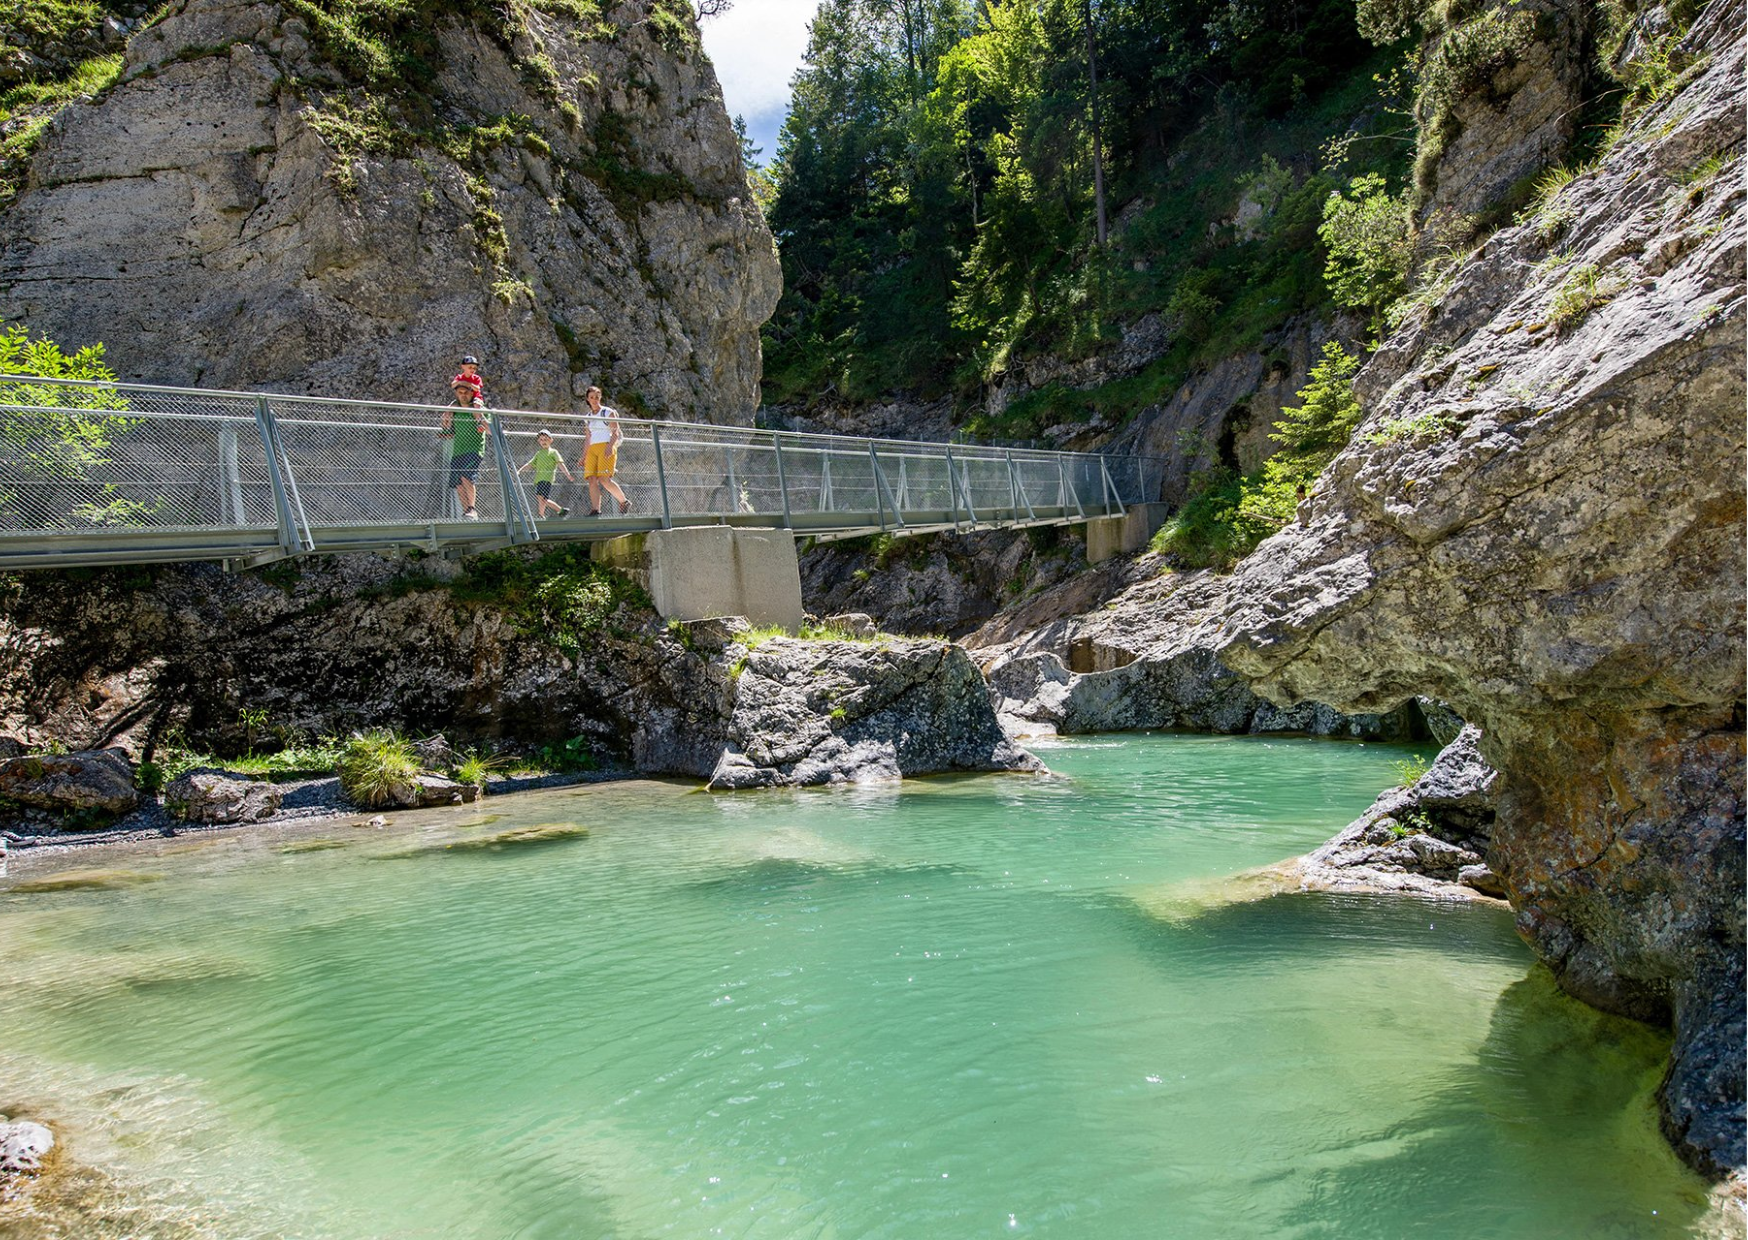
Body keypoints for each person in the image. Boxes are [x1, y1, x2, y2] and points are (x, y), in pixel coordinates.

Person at [577, 385, 632, 516]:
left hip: (605, 446)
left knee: (604, 479)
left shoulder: (608, 412)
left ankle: (623, 501)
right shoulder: (588, 417)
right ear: (587, 399)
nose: (594, 400)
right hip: (592, 449)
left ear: (600, 397)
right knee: (591, 478)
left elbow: (615, 432)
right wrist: (583, 456)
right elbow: (588, 438)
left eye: (597, 397)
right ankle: (596, 509)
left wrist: (609, 447)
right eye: (592, 397)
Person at [441, 379, 489, 519]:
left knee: (466, 477)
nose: (463, 395)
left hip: (474, 450)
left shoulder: (479, 409)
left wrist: (479, 416)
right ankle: (466, 510)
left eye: (466, 393)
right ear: (456, 394)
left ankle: (473, 508)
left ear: (472, 394)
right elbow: (448, 431)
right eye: (460, 392)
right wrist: (445, 422)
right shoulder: (455, 411)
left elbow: (491, 429)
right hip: (458, 451)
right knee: (458, 483)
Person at [519, 429, 573, 518]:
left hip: (547, 479)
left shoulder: (553, 452)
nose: (543, 441)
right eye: (541, 439)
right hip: (538, 480)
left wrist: (568, 475)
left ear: (551, 440)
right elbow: (530, 464)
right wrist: (520, 470)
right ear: (538, 441)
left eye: (546, 439)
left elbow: (560, 463)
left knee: (543, 499)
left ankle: (541, 515)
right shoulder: (539, 453)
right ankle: (560, 510)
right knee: (542, 499)